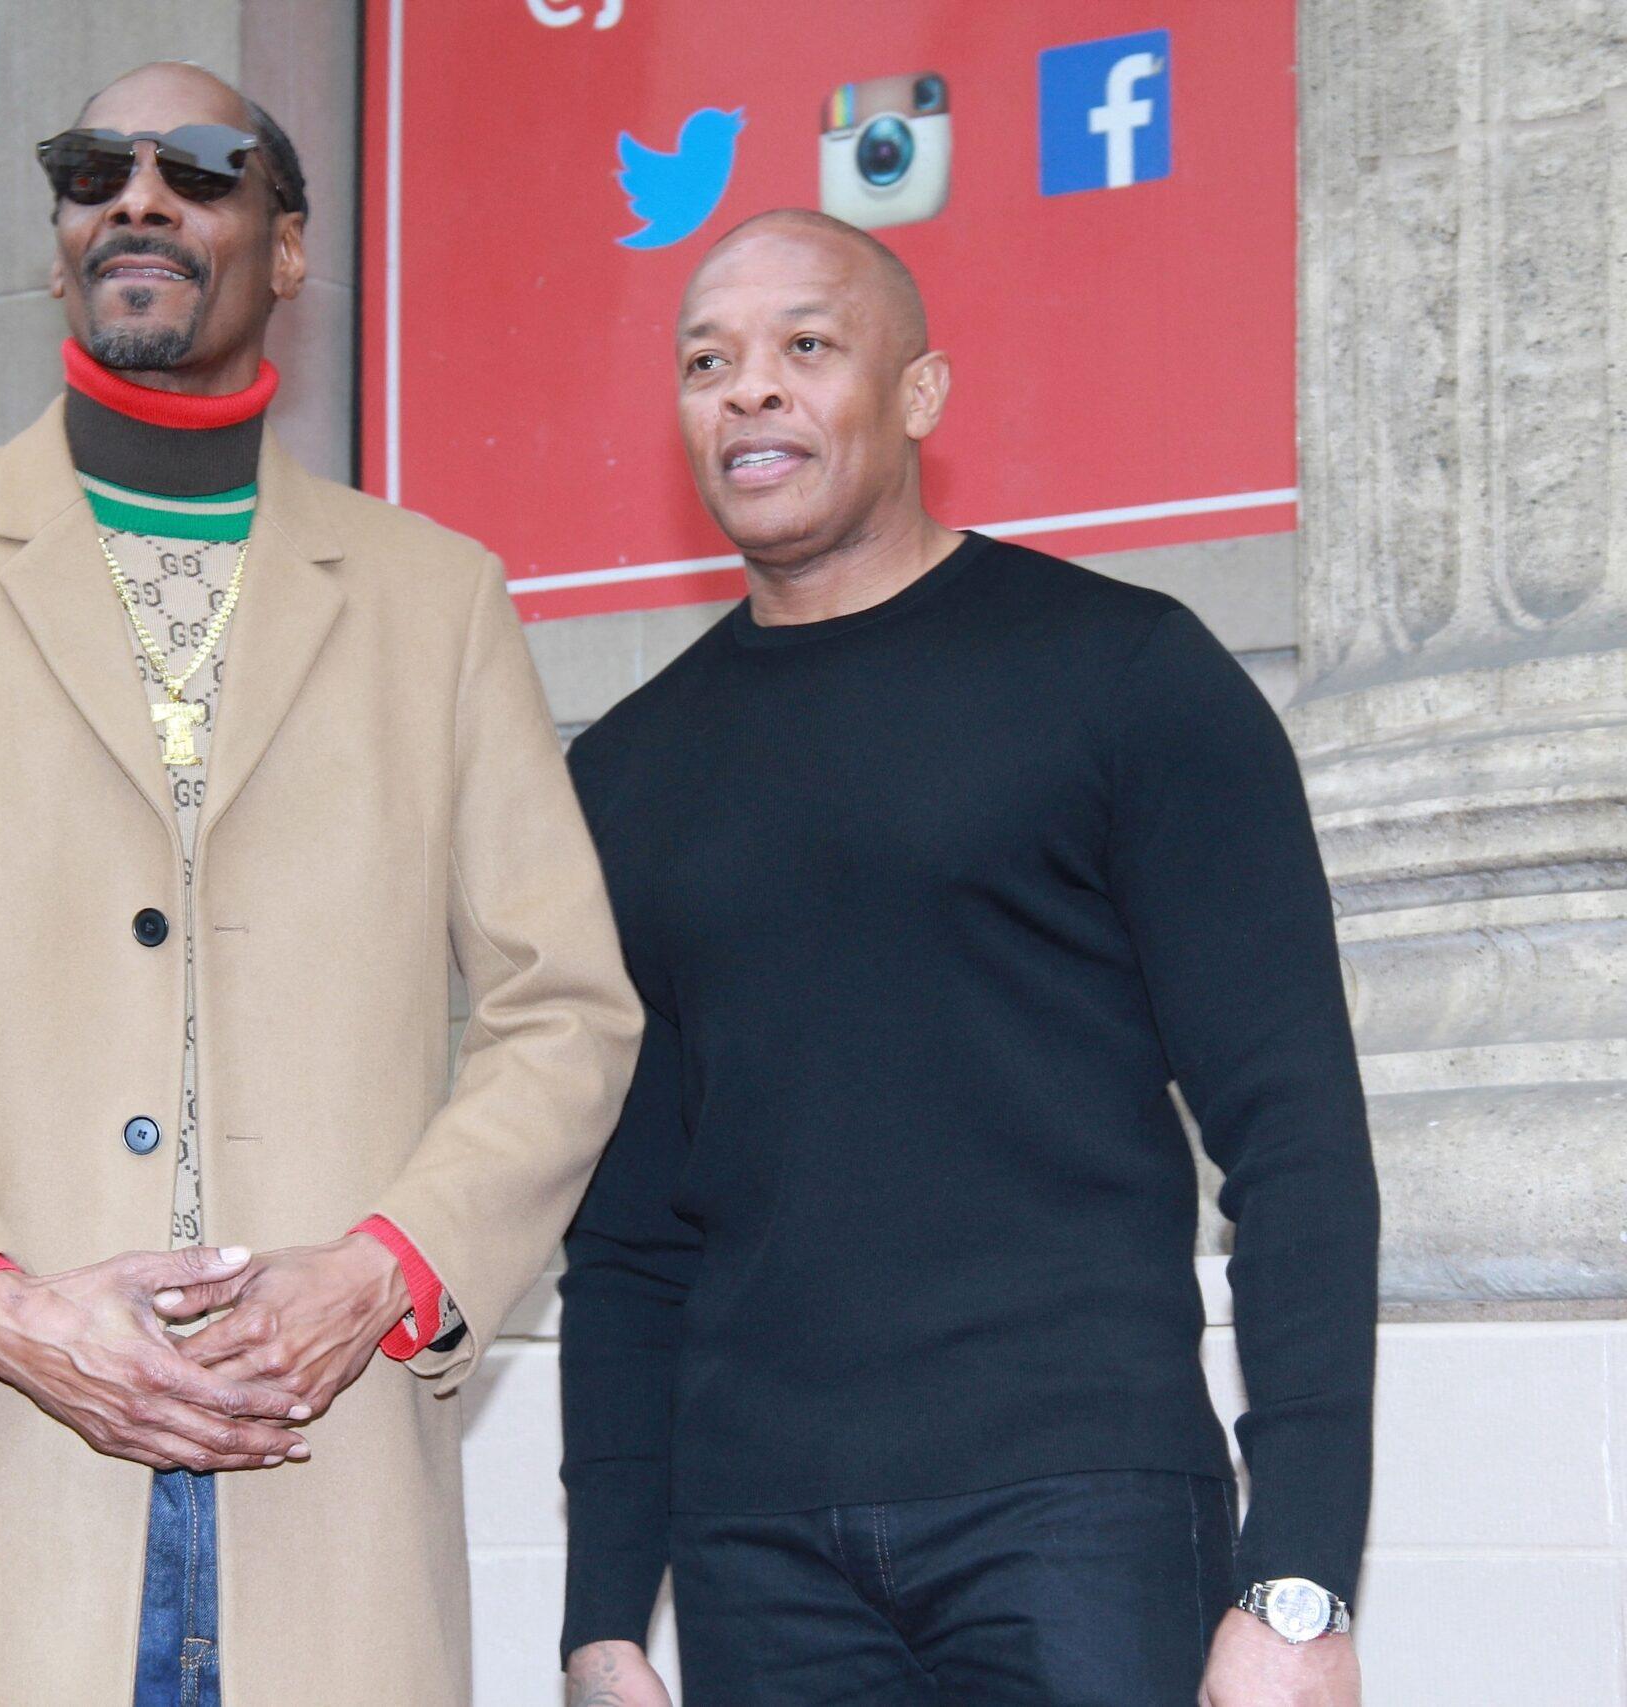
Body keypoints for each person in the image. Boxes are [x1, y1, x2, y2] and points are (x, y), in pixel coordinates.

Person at [0, 61, 641, 1707]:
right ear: (60, 235)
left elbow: (564, 1012)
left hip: (326, 1484)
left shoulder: (439, 599)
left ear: (287, 249)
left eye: (201, 170)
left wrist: (384, 1271)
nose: (135, 199)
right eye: (94, 171)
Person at [558, 210, 1379, 1707]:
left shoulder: (1126, 674)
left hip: (1083, 1516)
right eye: (707, 360)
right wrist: (605, 1611)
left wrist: (1303, 1581)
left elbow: (1296, 1137)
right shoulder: (623, 775)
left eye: (806, 346)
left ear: (921, 393)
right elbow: (625, 1234)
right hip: (757, 1554)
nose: (750, 390)